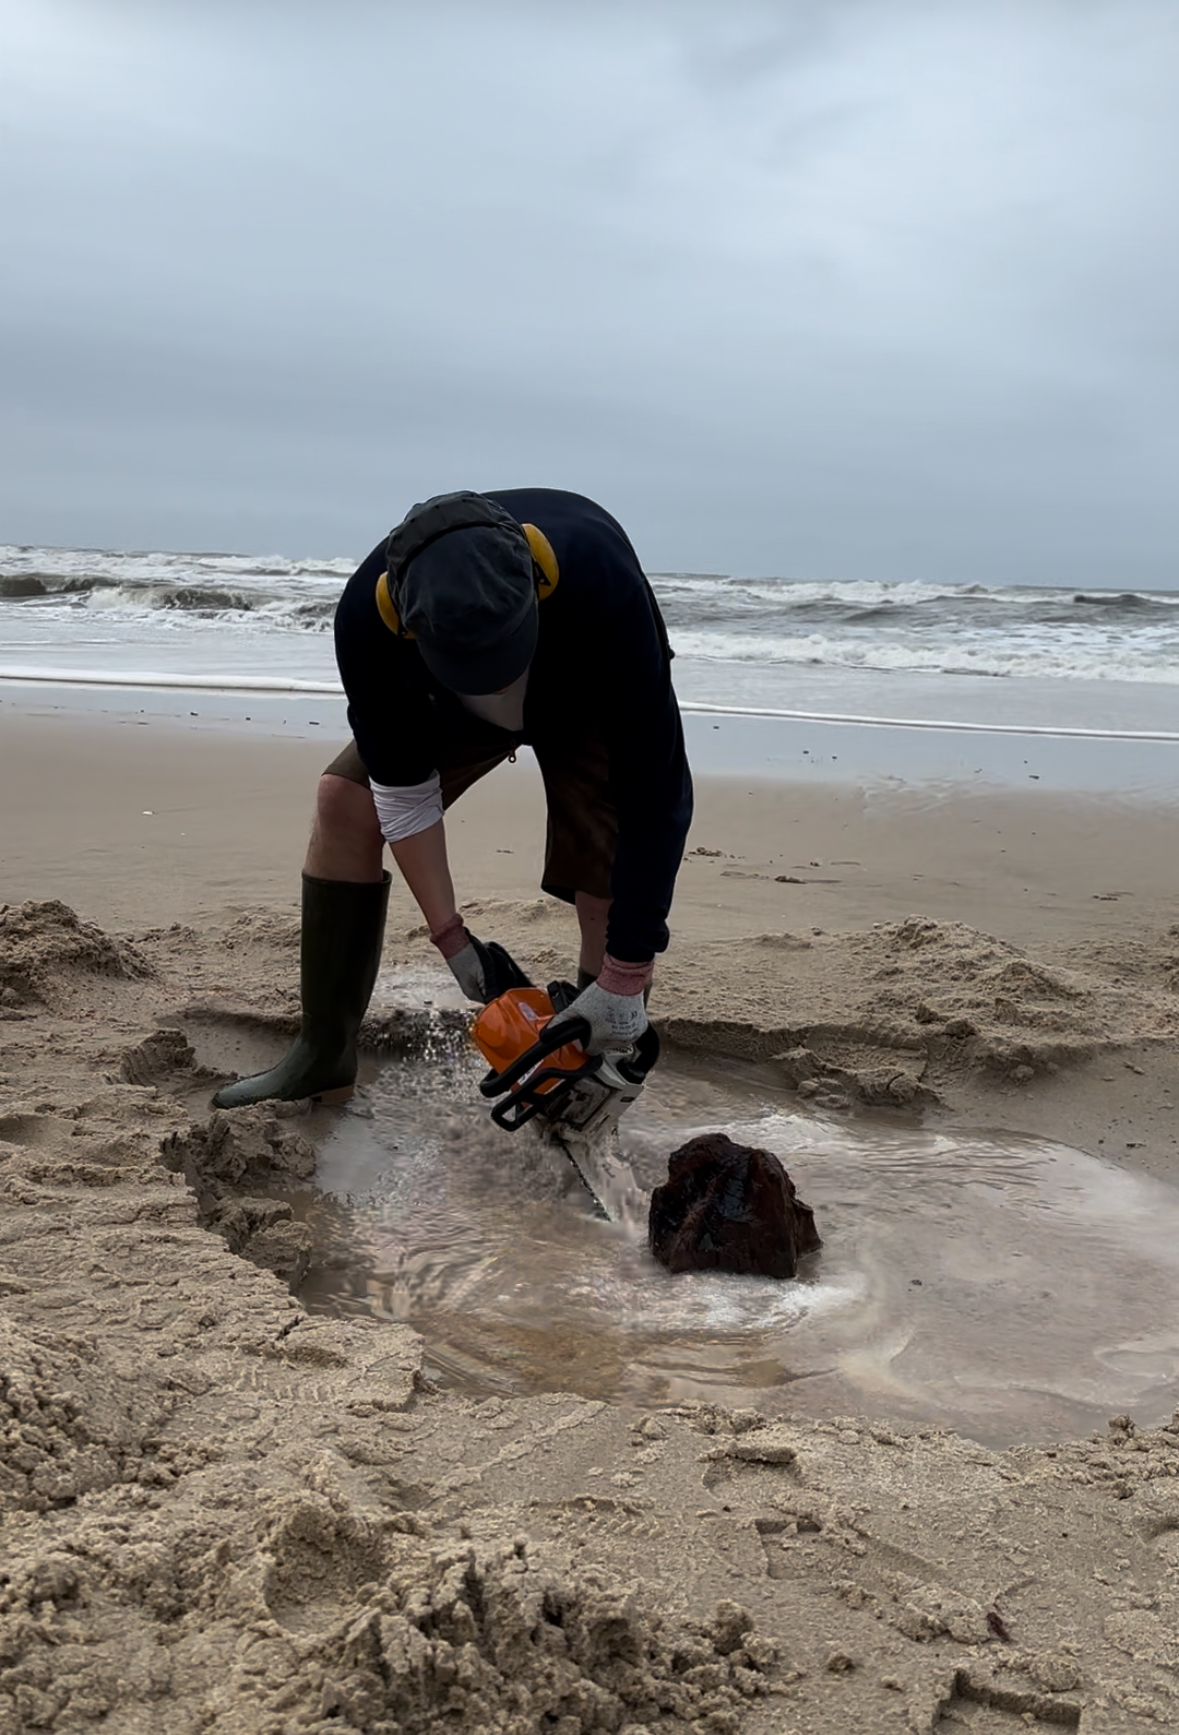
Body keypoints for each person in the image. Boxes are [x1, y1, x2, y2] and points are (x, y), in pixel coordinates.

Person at [213, 487, 694, 1109]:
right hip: (443, 705)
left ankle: (597, 1057)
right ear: (404, 620)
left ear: (538, 582)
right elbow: (403, 791)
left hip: (582, 691)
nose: (500, 682)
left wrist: (627, 974)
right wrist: (453, 941)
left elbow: (656, 794)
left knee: (609, 847)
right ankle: (323, 1054)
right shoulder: (368, 619)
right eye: (480, 667)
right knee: (344, 800)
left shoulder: (603, 583)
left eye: (505, 657)